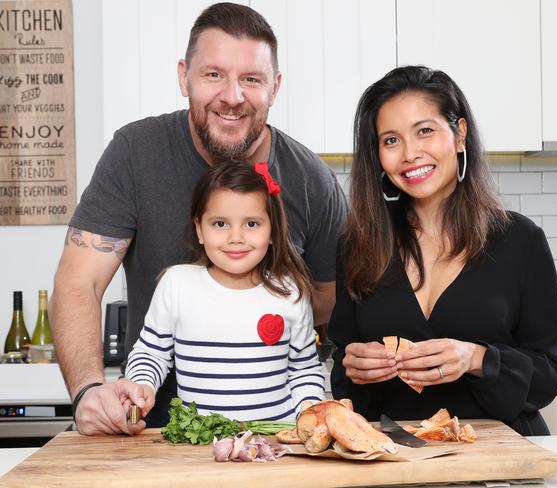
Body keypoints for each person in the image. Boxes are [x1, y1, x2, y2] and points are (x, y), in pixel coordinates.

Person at [50, 2, 346, 435]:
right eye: (213, 75)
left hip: (276, 440)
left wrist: (254, 310)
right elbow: (79, 282)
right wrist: (88, 390)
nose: (232, 96)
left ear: (275, 87)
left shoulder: (310, 179)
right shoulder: (135, 152)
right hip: (153, 435)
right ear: (183, 76)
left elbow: (329, 304)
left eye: (251, 79)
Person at [329, 66, 557, 436]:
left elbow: (550, 374)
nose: (410, 153)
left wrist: (476, 358)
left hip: (502, 452)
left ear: (460, 134)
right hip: (398, 455)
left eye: (425, 131)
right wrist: (354, 369)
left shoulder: (520, 240)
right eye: (390, 140)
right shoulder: (358, 246)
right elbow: (346, 380)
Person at [124, 161, 325, 421]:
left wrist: (309, 408)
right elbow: (151, 352)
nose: (235, 237)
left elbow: (304, 370)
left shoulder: (290, 292)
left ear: (273, 230)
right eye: (220, 224)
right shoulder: (177, 285)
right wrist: (141, 386)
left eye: (252, 224)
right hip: (199, 450)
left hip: (276, 448)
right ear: (199, 229)